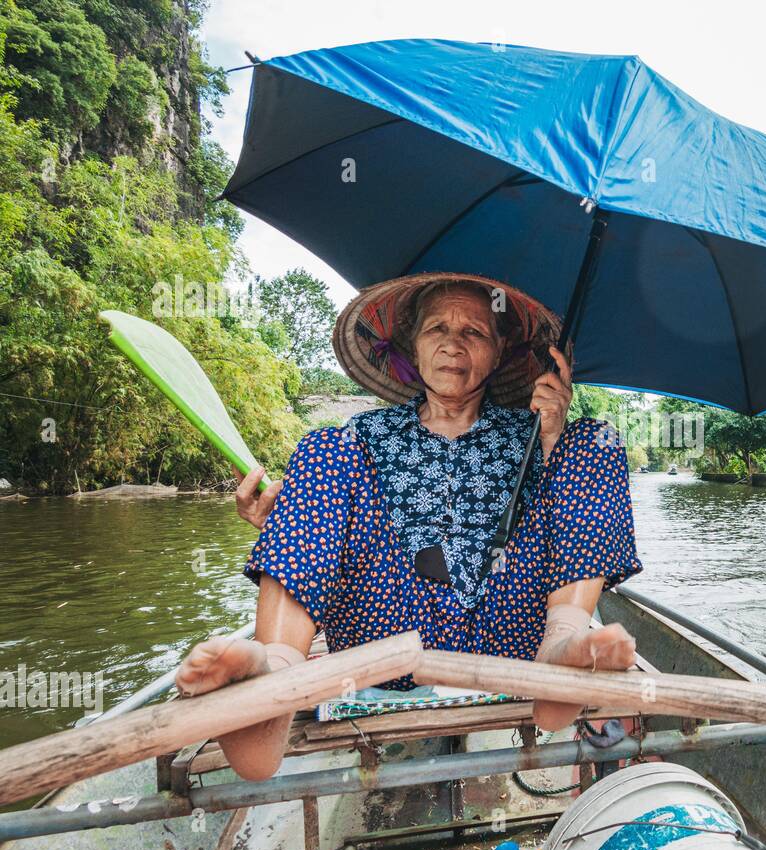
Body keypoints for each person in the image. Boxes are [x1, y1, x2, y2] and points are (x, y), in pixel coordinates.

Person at [175, 272, 641, 780]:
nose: (452, 345)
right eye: (436, 329)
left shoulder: (531, 431)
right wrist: (280, 519)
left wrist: (552, 438)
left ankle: (562, 654)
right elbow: (328, 528)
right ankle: (276, 680)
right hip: (388, 631)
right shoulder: (364, 435)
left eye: (475, 333)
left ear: (500, 351)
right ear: (412, 347)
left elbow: (567, 519)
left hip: (509, 629)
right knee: (319, 447)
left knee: (597, 439)